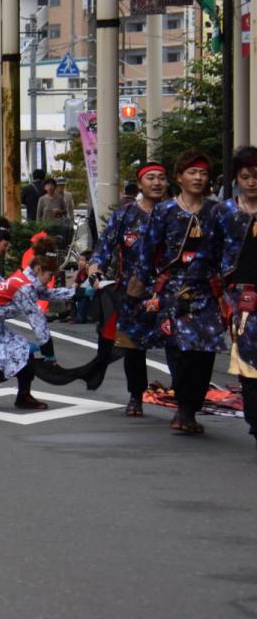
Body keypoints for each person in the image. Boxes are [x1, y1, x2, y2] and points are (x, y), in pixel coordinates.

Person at [129, 150, 224, 435]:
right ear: (180, 177)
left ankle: (191, 408)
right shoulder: (164, 211)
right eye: (192, 172)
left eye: (203, 173)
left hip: (206, 292)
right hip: (172, 292)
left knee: (204, 352)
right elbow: (147, 252)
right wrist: (138, 290)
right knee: (179, 350)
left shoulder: (218, 212)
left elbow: (229, 252)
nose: (198, 177)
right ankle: (183, 408)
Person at [0, 235, 74, 410]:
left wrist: (78, 293)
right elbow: (37, 319)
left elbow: (48, 293)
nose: (51, 278)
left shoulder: (28, 279)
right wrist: (49, 353)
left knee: (24, 353)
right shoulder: (23, 287)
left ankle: (23, 396)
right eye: (50, 274)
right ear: (39, 269)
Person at [87, 161, 167, 416]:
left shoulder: (175, 212)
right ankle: (136, 396)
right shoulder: (125, 215)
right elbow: (104, 247)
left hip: (171, 291)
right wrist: (96, 266)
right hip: (133, 293)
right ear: (140, 183)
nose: (156, 183)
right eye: (150, 178)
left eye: (161, 178)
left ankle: (186, 403)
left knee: (180, 346)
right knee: (134, 347)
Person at [218, 146, 257, 449]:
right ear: (237, 178)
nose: (252, 182)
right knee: (247, 360)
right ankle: (255, 421)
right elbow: (210, 254)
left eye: (256, 176)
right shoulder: (226, 213)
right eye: (245, 177)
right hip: (242, 296)